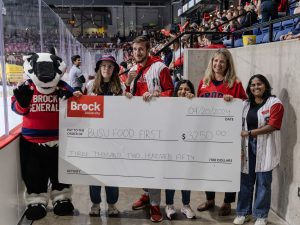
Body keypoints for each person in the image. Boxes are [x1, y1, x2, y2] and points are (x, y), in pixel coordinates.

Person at [125, 35, 174, 222]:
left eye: (141, 49)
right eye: (135, 49)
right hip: (138, 125)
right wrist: (128, 84)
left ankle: (155, 204)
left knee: (153, 166)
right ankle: (147, 194)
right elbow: (128, 98)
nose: (137, 52)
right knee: (141, 164)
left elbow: (172, 92)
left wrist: (158, 94)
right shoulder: (132, 70)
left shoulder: (160, 67)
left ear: (148, 49)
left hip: (157, 125)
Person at [197, 48, 247, 216]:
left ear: (228, 65)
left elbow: (245, 106)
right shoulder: (204, 82)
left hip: (228, 135)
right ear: (211, 63)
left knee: (227, 168)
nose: (218, 64)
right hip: (207, 133)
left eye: (222, 62)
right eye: (215, 61)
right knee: (208, 167)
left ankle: (227, 202)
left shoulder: (235, 83)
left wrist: (234, 101)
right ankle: (210, 199)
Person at [233, 74, 284, 225]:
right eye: (252, 85)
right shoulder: (245, 104)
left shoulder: (274, 103)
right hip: (247, 147)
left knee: (263, 183)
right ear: (249, 88)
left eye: (259, 84)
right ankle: (243, 213)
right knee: (245, 182)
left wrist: (250, 133)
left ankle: (261, 215)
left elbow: (273, 125)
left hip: (266, 148)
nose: (256, 87)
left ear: (266, 86)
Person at [85, 55, 124, 217]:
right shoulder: (90, 86)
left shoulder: (120, 87)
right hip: (95, 139)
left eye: (109, 66)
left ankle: (112, 205)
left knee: (112, 175)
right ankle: (95, 204)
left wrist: (128, 98)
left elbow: (126, 113)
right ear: (99, 68)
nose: (106, 69)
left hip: (113, 140)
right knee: (94, 175)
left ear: (114, 69)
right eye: (103, 66)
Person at [165, 80, 196, 220]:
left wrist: (193, 102)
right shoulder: (168, 105)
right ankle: (169, 205)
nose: (183, 92)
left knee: (186, 177)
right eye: (181, 89)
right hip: (171, 147)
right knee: (171, 176)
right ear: (176, 90)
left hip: (187, 147)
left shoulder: (196, 104)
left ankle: (186, 205)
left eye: (187, 89)